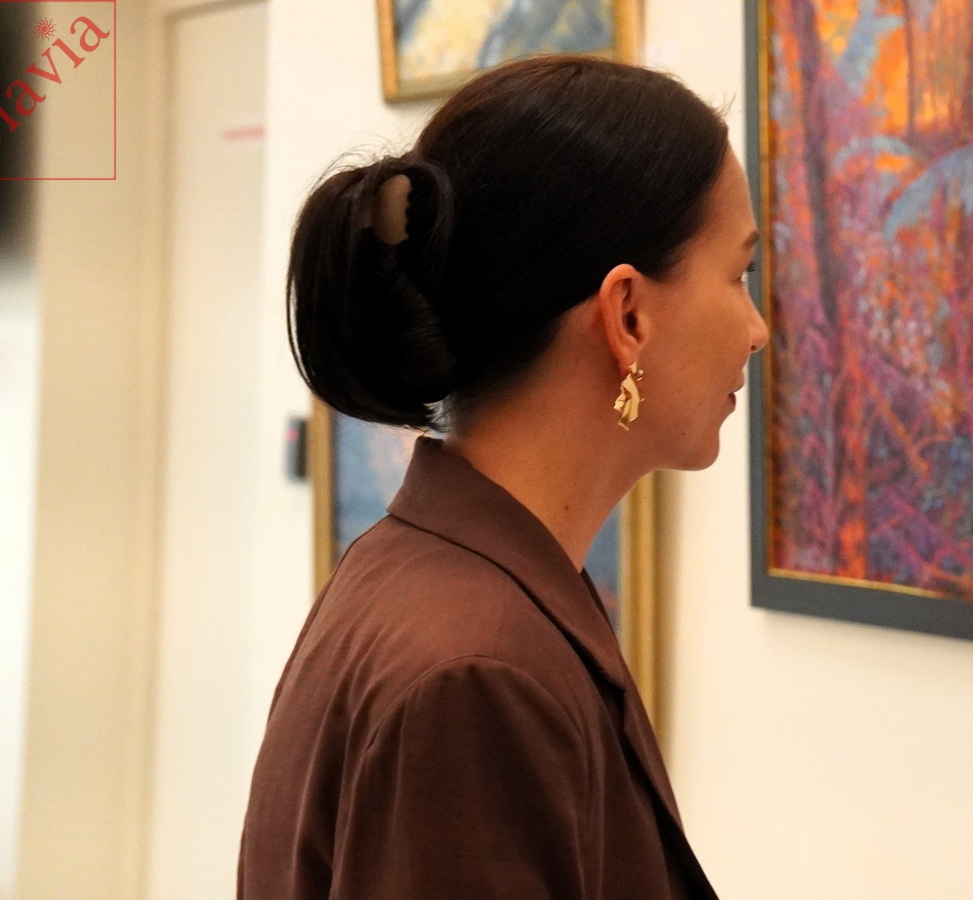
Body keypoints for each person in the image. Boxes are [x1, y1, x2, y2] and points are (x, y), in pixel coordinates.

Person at [237, 54, 768, 899]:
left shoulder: (433, 577)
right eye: (739, 275)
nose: (757, 328)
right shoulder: (479, 668)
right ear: (628, 314)